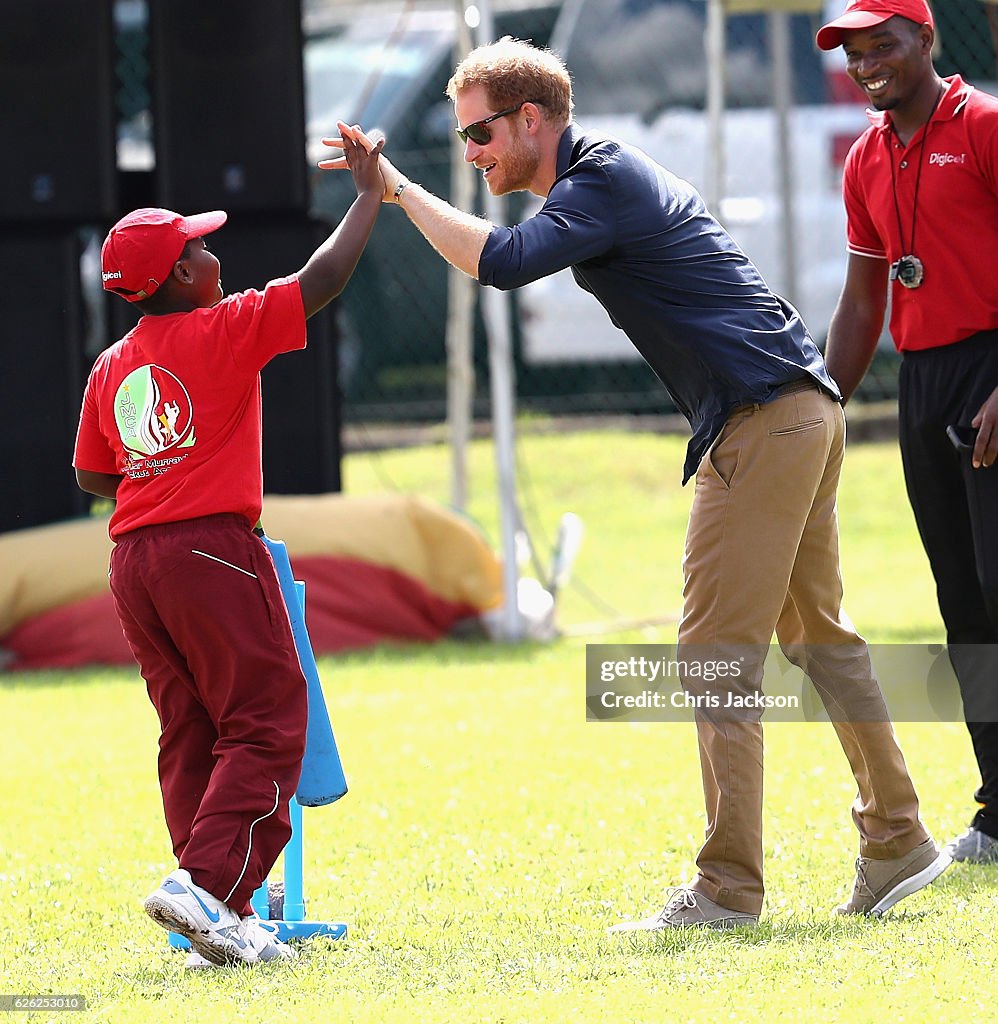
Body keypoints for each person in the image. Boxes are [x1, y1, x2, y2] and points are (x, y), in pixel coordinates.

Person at [320, 38, 949, 927]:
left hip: (765, 418)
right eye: (464, 138)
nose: (473, 153)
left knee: (713, 654)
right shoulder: (597, 179)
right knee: (819, 638)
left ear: (532, 119)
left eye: (480, 133)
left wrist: (395, 190)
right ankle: (898, 839)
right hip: (803, 407)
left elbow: (498, 263)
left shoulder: (600, 180)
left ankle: (729, 889)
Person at [73, 125, 384, 966]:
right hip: (212, 549)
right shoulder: (226, 328)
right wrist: (366, 199)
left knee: (190, 730)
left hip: (134, 563)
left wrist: (158, 473)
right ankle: (206, 886)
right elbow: (317, 282)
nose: (217, 258)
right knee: (268, 720)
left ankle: (220, 910)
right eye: (202, 249)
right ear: (179, 275)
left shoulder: (111, 366)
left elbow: (94, 478)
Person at [817, 0, 998, 865]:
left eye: (882, 45)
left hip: (993, 372)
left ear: (926, 39)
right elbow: (862, 302)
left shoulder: (989, 126)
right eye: (854, 53)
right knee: (962, 603)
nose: (867, 64)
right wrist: (819, 406)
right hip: (924, 387)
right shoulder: (865, 157)